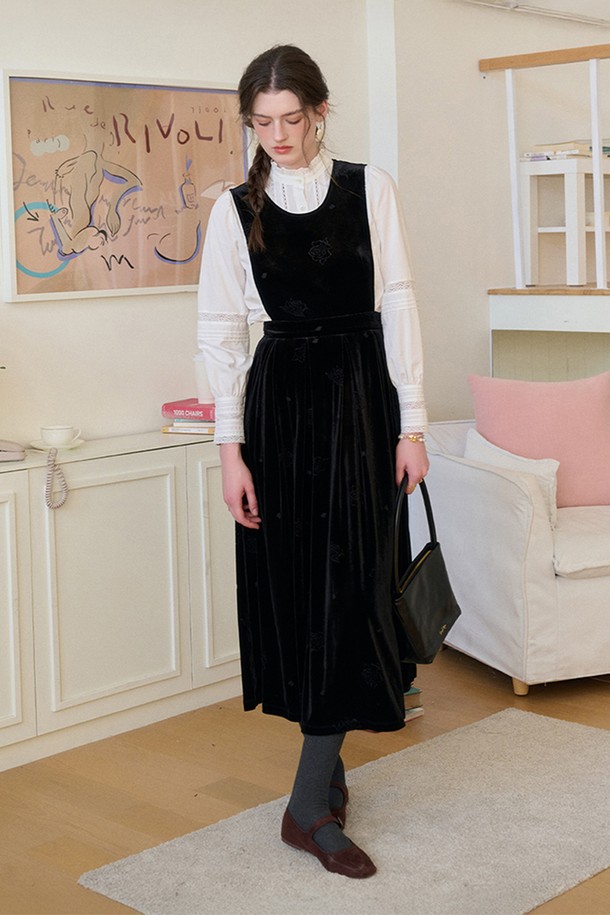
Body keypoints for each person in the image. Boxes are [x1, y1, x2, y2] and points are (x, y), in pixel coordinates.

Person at [197, 44, 429, 879]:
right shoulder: (234, 211)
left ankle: (307, 803)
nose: (278, 135)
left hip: (363, 403)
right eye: (262, 123)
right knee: (303, 596)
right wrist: (231, 452)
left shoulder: (372, 188)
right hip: (281, 412)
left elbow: (398, 302)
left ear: (319, 112)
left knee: (354, 590)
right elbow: (221, 333)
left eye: (291, 118)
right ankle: (318, 790)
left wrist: (413, 423)